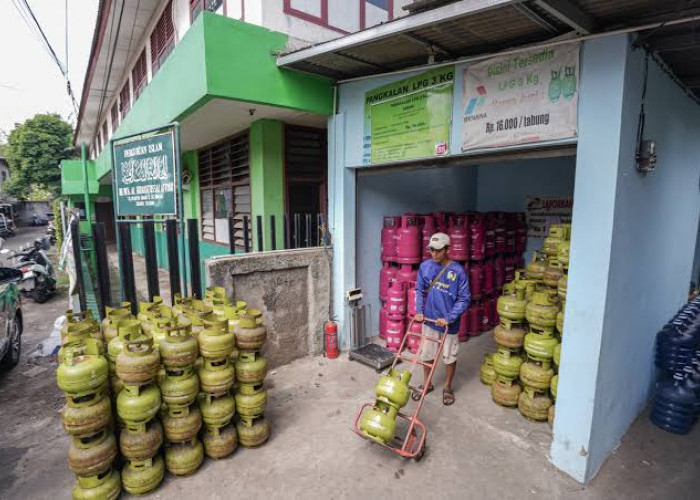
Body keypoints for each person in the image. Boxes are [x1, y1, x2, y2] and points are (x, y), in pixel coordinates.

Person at [413, 232, 470, 406]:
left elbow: (464, 299)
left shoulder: (458, 271)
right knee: (427, 354)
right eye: (431, 250)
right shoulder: (425, 267)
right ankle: (427, 383)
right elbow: (419, 291)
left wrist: (450, 318)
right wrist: (419, 311)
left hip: (448, 324)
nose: (434, 254)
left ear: (447, 249)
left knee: (449, 357)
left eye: (438, 250)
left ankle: (447, 387)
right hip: (429, 320)